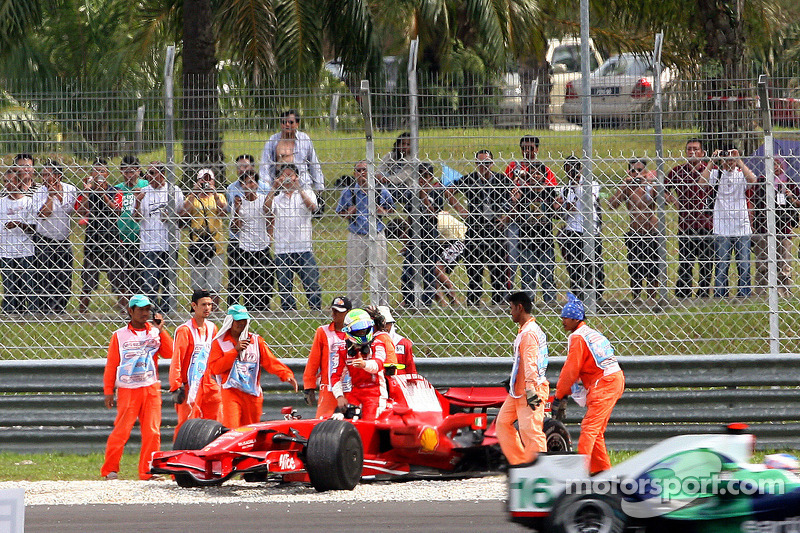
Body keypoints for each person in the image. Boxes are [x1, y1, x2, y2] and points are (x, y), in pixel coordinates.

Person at [101, 294, 173, 481]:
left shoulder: (155, 332)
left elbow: (170, 353)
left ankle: (148, 471)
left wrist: (161, 330)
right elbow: (112, 365)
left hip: (150, 388)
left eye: (147, 309)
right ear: (130, 311)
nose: (145, 313)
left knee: (152, 431)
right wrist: (109, 390)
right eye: (140, 309)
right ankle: (110, 470)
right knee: (121, 431)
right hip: (127, 389)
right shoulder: (119, 335)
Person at [551, 293, 624, 475]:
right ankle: (602, 473)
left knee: (589, 428)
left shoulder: (577, 338)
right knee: (596, 430)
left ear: (576, 319)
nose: (563, 321)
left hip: (605, 383)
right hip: (613, 379)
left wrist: (559, 395)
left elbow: (570, 370)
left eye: (566, 317)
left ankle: (579, 474)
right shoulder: (590, 333)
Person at [207, 304, 298, 428]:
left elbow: (270, 361)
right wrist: (235, 351)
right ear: (230, 321)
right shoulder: (219, 343)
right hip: (231, 392)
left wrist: (286, 375)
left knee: (251, 430)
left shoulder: (256, 341)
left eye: (244, 320)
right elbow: (215, 368)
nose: (242, 324)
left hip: (252, 394)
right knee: (232, 429)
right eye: (238, 320)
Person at [399, 162, 464, 308]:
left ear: (431, 178)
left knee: (429, 273)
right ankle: (409, 301)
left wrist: (424, 198)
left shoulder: (436, 194)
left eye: (425, 176)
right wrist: (406, 239)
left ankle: (427, 303)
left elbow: (434, 216)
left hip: (430, 238)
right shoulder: (411, 194)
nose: (422, 180)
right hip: (415, 238)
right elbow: (410, 217)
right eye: (419, 176)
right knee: (408, 272)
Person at [496, 291, 549, 465]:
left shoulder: (528, 334)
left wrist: (531, 388)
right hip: (519, 391)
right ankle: (520, 463)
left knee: (531, 431)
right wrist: (513, 378)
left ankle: (540, 469)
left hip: (529, 390)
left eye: (511, 308)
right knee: (503, 423)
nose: (510, 312)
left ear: (520, 308)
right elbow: (525, 361)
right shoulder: (528, 330)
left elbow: (531, 363)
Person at [700, 147, 757, 298]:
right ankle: (720, 296)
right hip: (722, 226)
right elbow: (701, 183)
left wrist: (739, 161)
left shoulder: (740, 175)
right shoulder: (716, 174)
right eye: (727, 157)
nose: (729, 161)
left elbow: (753, 180)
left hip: (741, 226)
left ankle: (744, 295)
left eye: (732, 157)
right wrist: (712, 161)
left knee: (744, 266)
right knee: (721, 266)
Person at [336, 160, 395, 306]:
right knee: (355, 275)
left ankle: (382, 309)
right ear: (354, 174)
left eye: (365, 170)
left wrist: (383, 211)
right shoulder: (349, 192)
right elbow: (340, 211)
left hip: (377, 234)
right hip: (357, 235)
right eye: (359, 171)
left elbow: (391, 209)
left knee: (380, 274)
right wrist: (349, 213)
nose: (362, 174)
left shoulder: (381, 190)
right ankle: (354, 308)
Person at [455, 149, 510, 306]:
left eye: (486, 163)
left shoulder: (501, 180)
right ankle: (473, 301)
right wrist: (460, 209)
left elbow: (515, 197)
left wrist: (506, 217)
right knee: (474, 268)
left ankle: (498, 302)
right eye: (480, 163)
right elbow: (449, 190)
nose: (483, 167)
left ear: (492, 163)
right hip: (475, 227)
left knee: (498, 268)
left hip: (495, 228)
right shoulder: (470, 179)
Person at [265, 163, 322, 311]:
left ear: (297, 177)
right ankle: (289, 314)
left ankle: (315, 311)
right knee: (284, 286)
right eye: (284, 175)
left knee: (312, 283)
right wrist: (273, 188)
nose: (288, 178)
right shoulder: (276, 198)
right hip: (282, 249)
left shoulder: (307, 192)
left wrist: (299, 188)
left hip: (304, 248)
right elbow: (266, 209)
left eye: (291, 175)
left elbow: (313, 207)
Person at [504, 135, 558, 290]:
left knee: (546, 270)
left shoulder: (544, 170)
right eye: (524, 148)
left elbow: (551, 191)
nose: (527, 151)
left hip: (539, 223)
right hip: (516, 219)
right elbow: (504, 189)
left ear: (537, 149)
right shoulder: (514, 167)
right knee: (512, 259)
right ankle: (509, 292)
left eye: (531, 148)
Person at [608, 159, 666, 301]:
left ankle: (652, 300)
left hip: (652, 232)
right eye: (634, 170)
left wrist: (650, 182)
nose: (637, 174)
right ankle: (637, 300)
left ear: (645, 171)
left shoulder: (651, 186)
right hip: (635, 233)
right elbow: (612, 204)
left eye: (640, 170)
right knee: (635, 271)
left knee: (653, 271)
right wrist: (624, 184)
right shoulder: (628, 187)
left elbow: (665, 200)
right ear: (629, 172)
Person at [135, 161, 186, 315]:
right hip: (149, 244)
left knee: (168, 280)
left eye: (153, 173)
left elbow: (183, 218)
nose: (149, 176)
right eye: (148, 173)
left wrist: (171, 217)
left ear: (162, 174)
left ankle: (166, 311)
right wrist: (138, 201)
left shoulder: (174, 191)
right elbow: (136, 218)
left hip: (169, 243)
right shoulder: (143, 192)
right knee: (150, 282)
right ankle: (150, 312)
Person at [169, 289, 220, 440]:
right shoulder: (185, 331)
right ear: (194, 306)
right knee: (186, 426)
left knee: (214, 423)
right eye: (203, 304)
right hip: (189, 386)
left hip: (209, 384)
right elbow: (177, 359)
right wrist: (176, 386)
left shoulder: (212, 328)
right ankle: (178, 457)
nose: (207, 308)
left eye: (210, 305)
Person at [666, 138, 714, 298]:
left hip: (706, 223)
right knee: (685, 261)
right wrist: (674, 201)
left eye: (695, 149)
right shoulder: (678, 171)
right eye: (689, 149)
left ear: (703, 153)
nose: (692, 152)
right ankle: (683, 293)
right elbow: (664, 188)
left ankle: (704, 294)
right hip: (686, 224)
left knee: (706, 263)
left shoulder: (710, 171)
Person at [31, 159, 78, 314]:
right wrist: (51, 196)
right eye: (42, 175)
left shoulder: (70, 189)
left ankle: (60, 307)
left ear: (57, 176)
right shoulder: (39, 192)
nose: (43, 178)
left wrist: (59, 196)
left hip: (63, 239)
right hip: (44, 239)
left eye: (47, 175)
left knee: (64, 274)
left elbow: (71, 210)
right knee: (44, 274)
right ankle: (45, 307)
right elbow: (43, 214)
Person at [512, 160, 561, 304]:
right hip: (527, 241)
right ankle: (528, 306)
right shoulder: (523, 192)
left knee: (547, 276)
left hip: (545, 241)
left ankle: (550, 305)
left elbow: (556, 215)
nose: (535, 176)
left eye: (538, 173)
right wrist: (515, 202)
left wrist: (557, 206)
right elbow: (516, 215)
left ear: (544, 176)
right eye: (532, 173)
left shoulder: (550, 192)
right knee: (527, 277)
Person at [330, 309, 392, 421]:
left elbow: (378, 365)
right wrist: (339, 396)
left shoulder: (378, 344)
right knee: (341, 418)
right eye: (358, 331)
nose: (362, 333)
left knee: (370, 421)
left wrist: (364, 364)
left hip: (376, 392)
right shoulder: (342, 349)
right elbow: (335, 376)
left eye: (364, 330)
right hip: (355, 392)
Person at [77, 158, 122, 314]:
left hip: (111, 239)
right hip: (93, 240)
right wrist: (88, 191)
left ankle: (125, 311)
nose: (99, 174)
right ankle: (82, 312)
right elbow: (81, 211)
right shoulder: (88, 192)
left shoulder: (114, 190)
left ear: (107, 174)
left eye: (102, 171)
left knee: (118, 279)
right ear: (91, 174)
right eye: (96, 171)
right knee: (88, 280)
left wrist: (103, 195)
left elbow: (117, 211)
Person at [750, 157, 800, 297]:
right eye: (773, 165)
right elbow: (753, 202)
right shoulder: (761, 181)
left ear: (783, 166)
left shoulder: (788, 182)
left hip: (783, 229)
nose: (776, 167)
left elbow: (798, 203)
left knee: (783, 263)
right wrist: (752, 222)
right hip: (763, 228)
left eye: (779, 164)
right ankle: (762, 293)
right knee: (762, 264)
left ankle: (783, 293)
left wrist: (791, 197)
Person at [557, 156, 604, 303]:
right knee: (575, 268)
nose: (573, 173)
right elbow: (561, 211)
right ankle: (578, 298)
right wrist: (564, 208)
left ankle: (597, 298)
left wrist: (576, 190)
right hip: (573, 230)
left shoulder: (592, 184)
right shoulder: (564, 190)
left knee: (594, 266)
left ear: (580, 169)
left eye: (575, 169)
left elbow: (589, 200)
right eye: (569, 170)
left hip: (591, 230)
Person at [225, 154, 267, 306]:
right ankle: (233, 309)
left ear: (253, 168)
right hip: (237, 239)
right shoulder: (231, 188)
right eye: (239, 167)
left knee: (258, 278)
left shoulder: (264, 188)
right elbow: (231, 214)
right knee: (235, 279)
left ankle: (258, 307)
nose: (242, 169)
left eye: (246, 166)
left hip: (257, 240)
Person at [231, 169, 274, 311]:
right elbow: (235, 228)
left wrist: (270, 235)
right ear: (242, 185)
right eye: (248, 182)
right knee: (248, 283)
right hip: (246, 249)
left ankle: (264, 307)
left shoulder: (263, 199)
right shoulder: (238, 202)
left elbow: (270, 215)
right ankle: (250, 309)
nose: (251, 185)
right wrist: (237, 210)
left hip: (263, 247)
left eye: (253, 182)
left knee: (266, 282)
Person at [303, 296, 352, 418]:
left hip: (351, 388)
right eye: (333, 310)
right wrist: (309, 386)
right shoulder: (323, 332)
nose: (334, 314)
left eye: (339, 311)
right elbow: (313, 361)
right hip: (328, 388)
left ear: (348, 313)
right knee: (323, 422)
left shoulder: (356, 332)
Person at [183, 168, 227, 301]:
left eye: (209, 180)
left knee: (214, 286)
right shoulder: (192, 198)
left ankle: (214, 311)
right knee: (198, 285)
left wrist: (214, 194)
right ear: (197, 181)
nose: (206, 183)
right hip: (197, 245)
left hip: (215, 245)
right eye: (203, 180)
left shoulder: (219, 196)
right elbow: (184, 212)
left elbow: (223, 213)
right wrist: (194, 193)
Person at [114, 156, 149, 313]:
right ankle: (125, 307)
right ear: (121, 171)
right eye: (126, 171)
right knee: (124, 273)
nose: (129, 175)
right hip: (123, 236)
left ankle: (141, 304)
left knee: (141, 272)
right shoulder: (118, 189)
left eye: (133, 171)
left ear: (138, 171)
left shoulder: (145, 186)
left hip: (142, 236)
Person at [259, 109, 324, 192]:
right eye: (283, 122)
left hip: (302, 185)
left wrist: (319, 187)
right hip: (279, 187)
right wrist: (266, 187)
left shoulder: (304, 139)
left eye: (291, 122)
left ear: (297, 124)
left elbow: (314, 164)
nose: (287, 124)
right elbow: (265, 165)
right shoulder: (273, 140)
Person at [0, 167, 35, 313]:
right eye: (5, 182)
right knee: (9, 285)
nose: (8, 185)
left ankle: (30, 312)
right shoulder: (1, 202)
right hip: (6, 251)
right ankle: (11, 312)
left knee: (27, 284)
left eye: (11, 181)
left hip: (25, 250)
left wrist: (19, 224)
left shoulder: (29, 202)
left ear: (19, 183)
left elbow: (33, 228)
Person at [376, 132, 414, 204]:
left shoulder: (412, 159)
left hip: (405, 188)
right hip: (388, 184)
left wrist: (388, 179)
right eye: (402, 144)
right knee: (383, 175)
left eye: (408, 144)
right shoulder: (390, 155)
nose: (405, 146)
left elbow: (404, 176)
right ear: (398, 144)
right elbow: (380, 168)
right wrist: (379, 175)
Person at [377, 305, 416, 375]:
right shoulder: (369, 343)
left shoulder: (403, 343)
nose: (384, 327)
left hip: (399, 381)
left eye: (387, 323)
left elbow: (411, 369)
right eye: (381, 324)